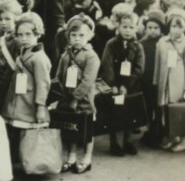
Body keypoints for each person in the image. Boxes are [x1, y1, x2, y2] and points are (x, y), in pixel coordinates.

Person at [2, 12, 51, 164]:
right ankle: (20, 162)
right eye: (20, 35)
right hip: (18, 101)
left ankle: (30, 163)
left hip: (29, 103)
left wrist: (41, 107)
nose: (23, 39)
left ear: (38, 34)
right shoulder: (23, 53)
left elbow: (43, 84)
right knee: (17, 133)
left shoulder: (39, 58)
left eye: (28, 34)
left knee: (28, 135)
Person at [55, 13, 100, 174]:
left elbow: (88, 81)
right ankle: (71, 157)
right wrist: (59, 92)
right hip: (67, 97)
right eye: (73, 35)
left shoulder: (91, 56)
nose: (77, 39)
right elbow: (59, 75)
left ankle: (87, 158)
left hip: (84, 99)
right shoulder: (66, 54)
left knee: (87, 130)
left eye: (81, 35)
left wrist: (75, 98)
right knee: (71, 127)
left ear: (90, 36)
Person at [100, 9, 145, 156]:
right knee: (116, 113)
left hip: (131, 86)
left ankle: (128, 142)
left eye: (131, 27)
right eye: (124, 27)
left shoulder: (138, 46)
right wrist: (113, 84)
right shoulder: (111, 44)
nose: (127, 30)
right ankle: (116, 144)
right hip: (115, 87)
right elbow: (107, 65)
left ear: (136, 29)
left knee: (130, 114)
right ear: (118, 27)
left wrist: (127, 85)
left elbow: (139, 67)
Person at [153, 8, 185, 152]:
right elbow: (158, 63)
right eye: (173, 26)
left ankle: (184, 140)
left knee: (179, 110)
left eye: (180, 26)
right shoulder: (162, 42)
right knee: (166, 108)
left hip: (179, 82)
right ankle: (173, 137)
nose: (176, 30)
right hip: (164, 81)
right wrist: (156, 80)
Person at [0, 0, 22, 113]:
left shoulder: (19, 39)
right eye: (0, 19)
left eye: (7, 19)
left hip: (11, 82)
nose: (3, 23)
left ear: (16, 18)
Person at [140, 9, 165, 147]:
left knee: (159, 106)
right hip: (146, 80)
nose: (152, 31)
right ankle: (150, 131)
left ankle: (159, 131)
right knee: (148, 106)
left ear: (161, 29)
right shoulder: (142, 44)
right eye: (149, 27)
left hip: (160, 79)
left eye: (156, 28)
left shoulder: (164, 42)